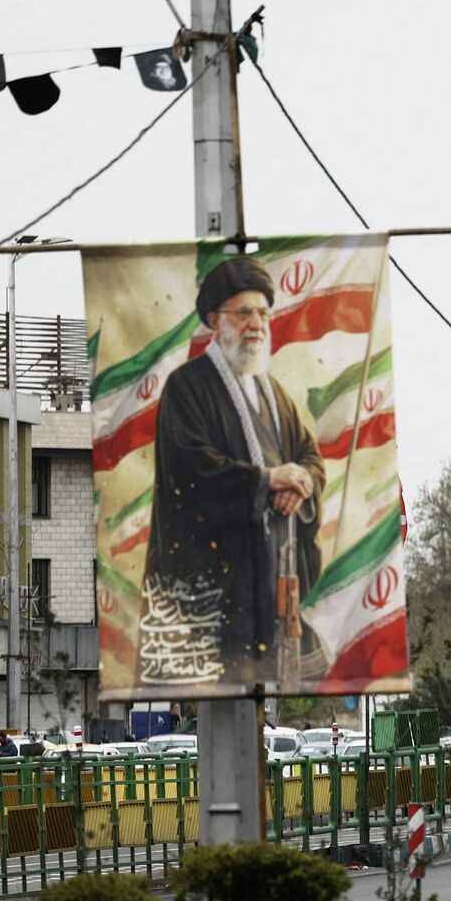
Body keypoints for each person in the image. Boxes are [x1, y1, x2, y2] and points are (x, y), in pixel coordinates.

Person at [139, 256, 325, 688]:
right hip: (216, 591)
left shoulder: (273, 392)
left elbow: (309, 458)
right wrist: (267, 481)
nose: (256, 323)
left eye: (263, 313)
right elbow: (192, 472)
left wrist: (300, 483)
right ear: (214, 320)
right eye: (244, 313)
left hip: (273, 579)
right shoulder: (187, 387)